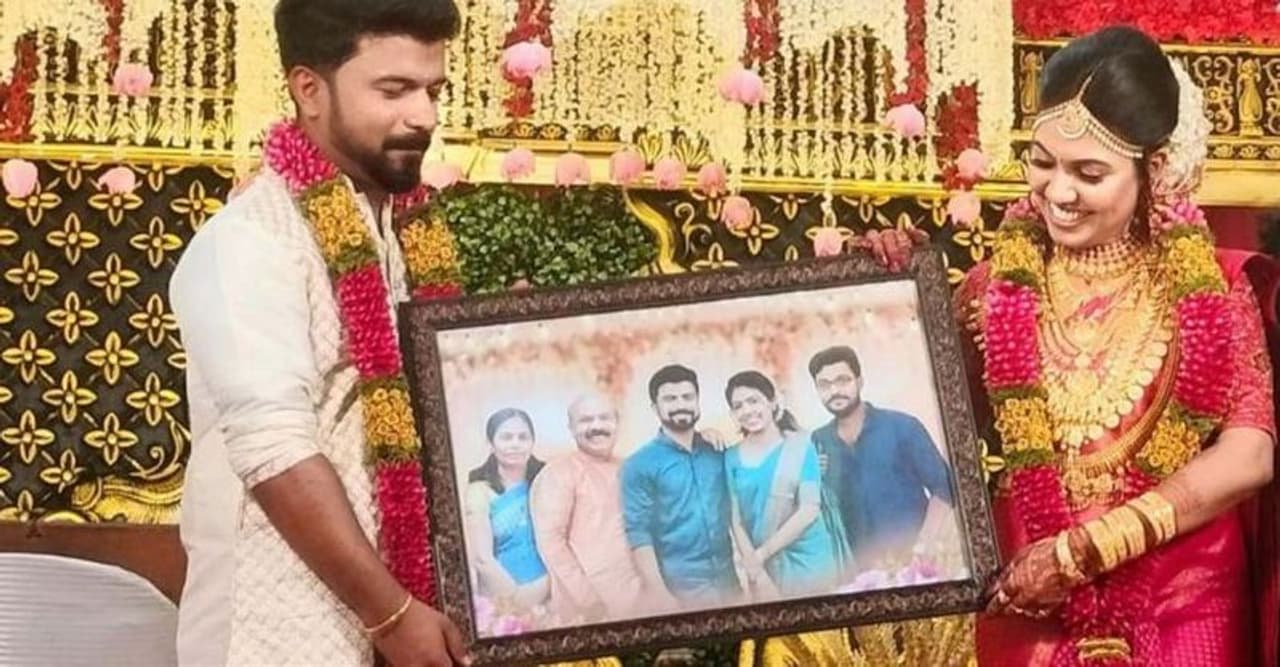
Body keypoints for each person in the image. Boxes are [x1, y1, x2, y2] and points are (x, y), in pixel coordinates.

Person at [868, 25, 1277, 665]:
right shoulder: (992, 287)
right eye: (1042, 162)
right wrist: (885, 297)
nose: (1058, 192)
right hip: (1031, 597)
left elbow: (1250, 454)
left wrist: (1089, 549)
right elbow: (935, 427)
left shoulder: (1214, 286)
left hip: (1185, 598)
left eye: (1089, 172)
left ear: (1153, 169)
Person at [168, 1, 472, 665]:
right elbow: (275, 452)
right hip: (277, 633)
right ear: (309, 89)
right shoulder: (252, 242)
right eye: (393, 90)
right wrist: (392, 616)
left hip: (412, 618)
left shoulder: (406, 233)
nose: (423, 115)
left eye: (433, 90)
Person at [807, 345, 956, 568]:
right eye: (824, 385)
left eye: (843, 380)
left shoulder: (902, 426)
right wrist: (813, 479)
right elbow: (814, 509)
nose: (835, 390)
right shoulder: (818, 442)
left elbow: (944, 487)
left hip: (914, 563)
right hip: (857, 573)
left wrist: (925, 544)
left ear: (860, 381)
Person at [619, 364, 740, 610]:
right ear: (655, 408)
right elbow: (638, 533)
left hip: (729, 583)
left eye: (687, 397)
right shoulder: (638, 464)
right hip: (681, 591)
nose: (680, 404)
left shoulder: (716, 451)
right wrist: (659, 593)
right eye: (670, 399)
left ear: (698, 401)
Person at [722, 371, 848, 599]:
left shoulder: (801, 446)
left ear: (772, 403)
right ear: (732, 414)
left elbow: (809, 510)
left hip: (809, 560)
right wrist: (756, 569)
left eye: (753, 401)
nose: (747, 410)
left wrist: (761, 555)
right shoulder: (730, 458)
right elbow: (735, 520)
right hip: (763, 569)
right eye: (738, 406)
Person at [528, 393, 644, 623]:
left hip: (640, 599)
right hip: (591, 610)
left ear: (617, 422)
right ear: (571, 427)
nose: (596, 426)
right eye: (586, 420)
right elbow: (551, 542)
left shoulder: (630, 468)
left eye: (604, 418)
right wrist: (590, 602)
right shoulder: (558, 473)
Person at [463, 409, 548, 611]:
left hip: (554, 590)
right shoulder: (479, 492)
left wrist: (549, 585)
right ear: (490, 444)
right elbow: (482, 559)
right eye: (506, 437)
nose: (515, 444)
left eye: (523, 437)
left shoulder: (548, 480)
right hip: (503, 599)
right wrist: (516, 600)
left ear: (532, 442)